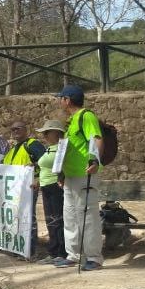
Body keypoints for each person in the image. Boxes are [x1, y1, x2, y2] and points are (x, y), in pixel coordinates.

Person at [53, 85, 104, 271]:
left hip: (85, 175)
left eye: (61, 98)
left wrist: (94, 161)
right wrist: (62, 172)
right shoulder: (71, 121)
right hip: (71, 176)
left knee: (88, 216)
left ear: (67, 100)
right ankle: (74, 255)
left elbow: (96, 138)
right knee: (71, 216)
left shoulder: (86, 116)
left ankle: (94, 258)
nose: (59, 102)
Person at [5, 121, 47, 260]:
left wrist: (38, 179)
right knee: (18, 218)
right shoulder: (13, 150)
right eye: (13, 129)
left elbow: (45, 162)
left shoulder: (32, 144)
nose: (15, 131)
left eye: (18, 128)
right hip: (15, 190)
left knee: (29, 217)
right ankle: (20, 247)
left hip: (29, 187)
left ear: (25, 130)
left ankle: (31, 250)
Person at [34, 120, 67, 264]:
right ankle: (53, 252)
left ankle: (61, 252)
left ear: (57, 132)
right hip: (46, 186)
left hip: (56, 186)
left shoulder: (63, 147)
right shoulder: (49, 148)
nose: (44, 135)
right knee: (51, 221)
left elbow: (64, 166)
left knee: (58, 219)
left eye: (47, 132)